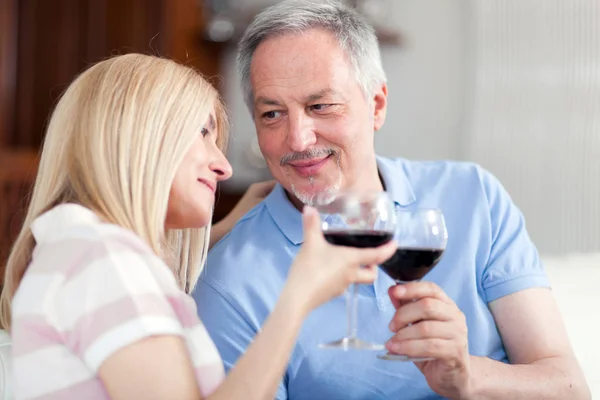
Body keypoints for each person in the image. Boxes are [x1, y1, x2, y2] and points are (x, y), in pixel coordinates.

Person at [193, 1, 590, 399]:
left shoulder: (474, 197)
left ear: (377, 105)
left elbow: (568, 388)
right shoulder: (228, 277)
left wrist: (468, 377)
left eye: (321, 106)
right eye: (273, 114)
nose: (298, 139)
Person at [0, 53, 397, 399]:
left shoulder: (80, 253)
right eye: (204, 132)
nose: (223, 167)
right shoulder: (102, 261)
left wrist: (224, 230)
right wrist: (297, 297)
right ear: (141, 135)